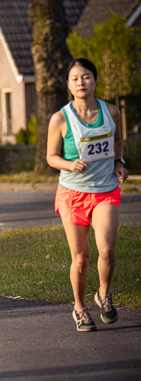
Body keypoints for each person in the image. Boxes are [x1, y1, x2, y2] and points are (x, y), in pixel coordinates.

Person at [47, 58, 128, 332]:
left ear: (95, 80)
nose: (81, 82)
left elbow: (117, 141)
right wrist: (70, 164)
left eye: (86, 77)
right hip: (72, 193)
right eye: (75, 79)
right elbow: (50, 157)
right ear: (68, 85)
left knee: (106, 249)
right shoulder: (60, 118)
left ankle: (103, 294)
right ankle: (79, 308)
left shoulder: (112, 111)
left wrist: (120, 163)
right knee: (81, 258)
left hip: (106, 190)